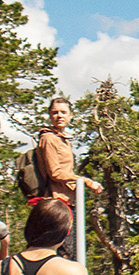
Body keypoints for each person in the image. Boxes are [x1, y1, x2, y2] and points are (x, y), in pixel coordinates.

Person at [35, 97, 103, 258]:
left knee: (70, 251)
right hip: (56, 202)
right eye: (55, 112)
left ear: (70, 115)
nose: (59, 116)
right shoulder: (49, 138)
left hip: (67, 200)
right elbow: (55, 172)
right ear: (50, 115)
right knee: (64, 251)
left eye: (63, 112)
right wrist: (85, 181)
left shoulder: (62, 139)